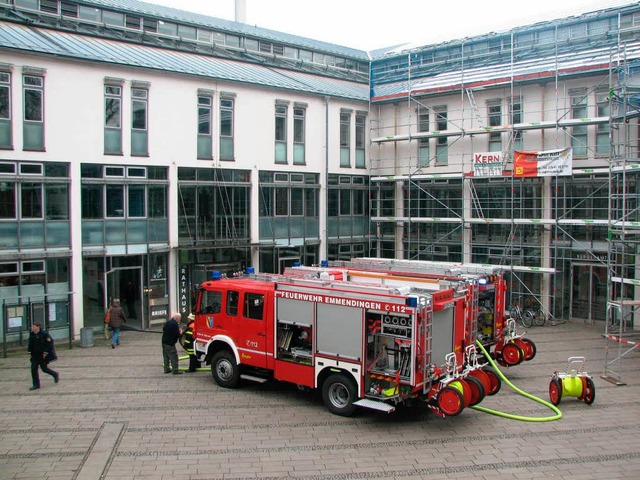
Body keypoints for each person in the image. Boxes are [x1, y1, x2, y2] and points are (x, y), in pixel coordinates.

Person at [28, 322, 59, 390]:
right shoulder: (32, 334)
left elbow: (49, 343)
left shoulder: (44, 334)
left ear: (38, 327)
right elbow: (30, 343)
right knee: (33, 369)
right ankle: (36, 385)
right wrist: (29, 352)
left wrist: (46, 352)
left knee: (44, 369)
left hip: (42, 355)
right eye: (32, 327)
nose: (32, 328)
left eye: (33, 326)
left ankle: (55, 374)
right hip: (34, 355)